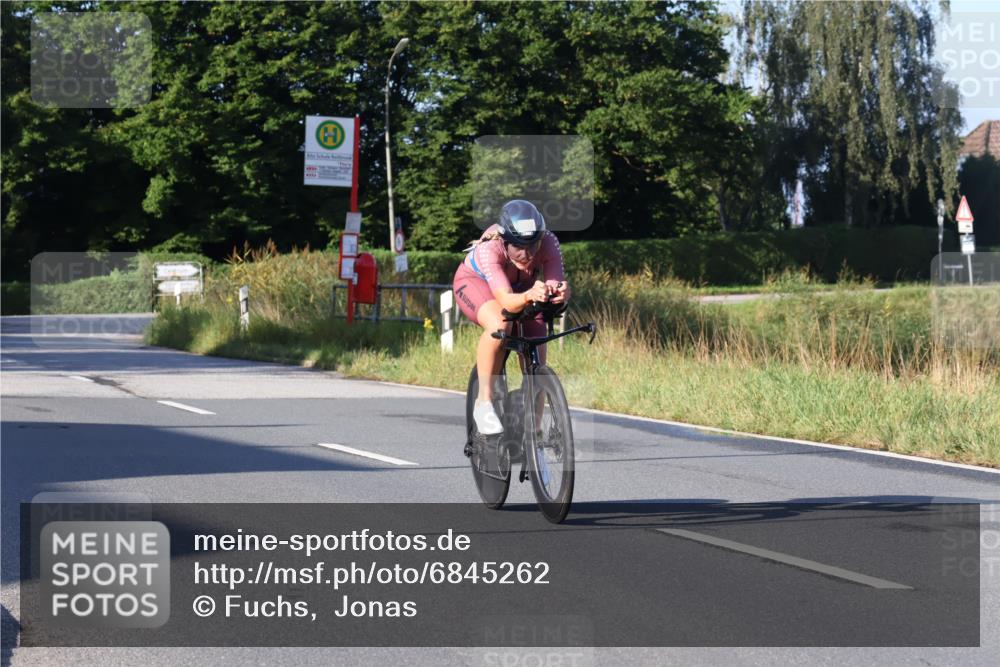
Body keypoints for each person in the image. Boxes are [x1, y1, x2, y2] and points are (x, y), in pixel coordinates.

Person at [452, 200, 571, 435]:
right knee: (500, 323)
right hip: (476, 285)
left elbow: (554, 283)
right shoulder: (490, 250)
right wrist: (529, 294)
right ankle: (483, 402)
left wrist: (561, 293)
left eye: (532, 246)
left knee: (537, 345)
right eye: (518, 247)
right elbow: (506, 301)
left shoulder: (549, 242)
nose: (526, 255)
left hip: (522, 290)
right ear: (505, 241)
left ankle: (534, 428)